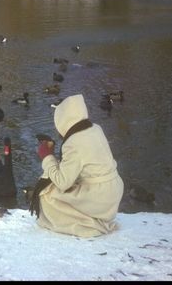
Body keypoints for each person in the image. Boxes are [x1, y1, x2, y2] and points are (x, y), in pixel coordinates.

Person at [29, 94, 124, 238]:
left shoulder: (73, 142)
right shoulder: (95, 129)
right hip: (113, 190)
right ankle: (91, 218)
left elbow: (63, 183)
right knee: (56, 186)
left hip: (99, 196)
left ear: (63, 121)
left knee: (47, 194)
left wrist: (47, 156)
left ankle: (87, 225)